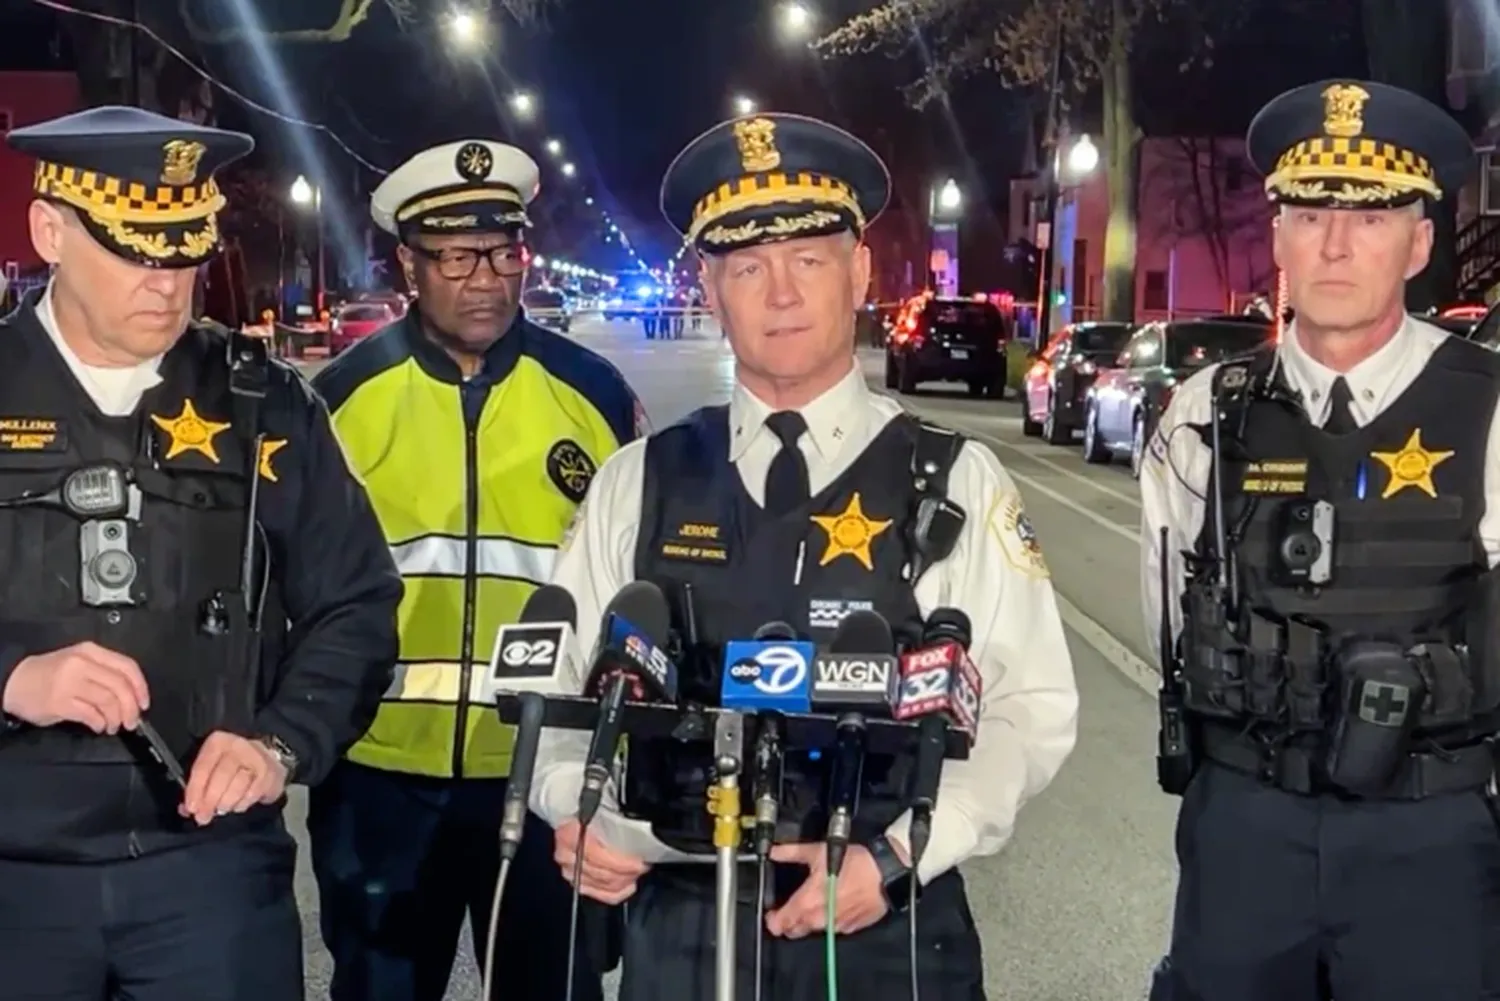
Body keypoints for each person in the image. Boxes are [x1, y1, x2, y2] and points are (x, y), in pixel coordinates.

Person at [528, 112, 1080, 1000]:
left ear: (860, 270)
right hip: (681, 915)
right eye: (746, 266)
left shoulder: (951, 481)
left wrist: (904, 854)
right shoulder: (641, 480)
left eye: (809, 259)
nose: (780, 292)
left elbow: (1032, 707)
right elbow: (558, 689)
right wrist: (573, 807)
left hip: (884, 919)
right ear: (709, 288)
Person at [0, 106, 401, 1000]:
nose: (168, 282)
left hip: (211, 879)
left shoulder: (265, 401)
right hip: (13, 879)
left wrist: (280, 743)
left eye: (184, 249)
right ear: (50, 231)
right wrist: (11, 678)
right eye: (135, 249)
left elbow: (359, 603)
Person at [1141, 80, 1500, 1000]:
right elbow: (1170, 627)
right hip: (1245, 832)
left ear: (1420, 242)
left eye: (1371, 216)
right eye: (1310, 213)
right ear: (1279, 236)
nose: (1335, 244)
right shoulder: (1203, 412)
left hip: (1429, 833)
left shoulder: (1491, 409)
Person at [308, 139, 643, 1001]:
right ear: (407, 265)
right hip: (378, 778)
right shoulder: (341, 399)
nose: (485, 276)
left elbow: (638, 594)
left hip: (546, 783)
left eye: (503, 251)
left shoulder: (594, 396)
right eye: (455, 255)